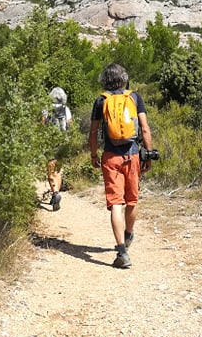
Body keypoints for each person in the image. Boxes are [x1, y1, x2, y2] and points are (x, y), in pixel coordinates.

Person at [88, 63, 154, 269]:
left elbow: (93, 132)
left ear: (105, 80)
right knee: (132, 200)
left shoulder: (101, 100)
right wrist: (148, 154)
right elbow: (144, 128)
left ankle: (121, 252)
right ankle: (128, 235)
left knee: (116, 203)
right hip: (132, 155)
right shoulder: (134, 98)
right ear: (124, 78)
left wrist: (93, 154)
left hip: (111, 157)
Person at [43, 87, 72, 210]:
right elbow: (70, 125)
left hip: (50, 141)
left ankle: (55, 193)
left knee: (50, 168)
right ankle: (57, 195)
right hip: (63, 142)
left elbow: (43, 124)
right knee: (58, 170)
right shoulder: (66, 109)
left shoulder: (46, 109)